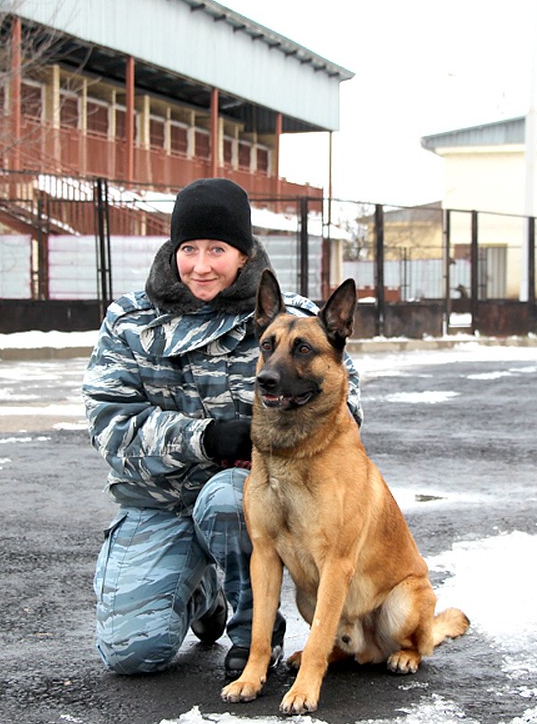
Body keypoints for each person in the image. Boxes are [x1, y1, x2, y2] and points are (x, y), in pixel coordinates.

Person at [82, 177, 362, 678]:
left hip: (240, 499)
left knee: (232, 499)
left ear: (243, 252)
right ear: (173, 250)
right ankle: (200, 591)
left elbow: (344, 406)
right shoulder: (128, 320)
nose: (201, 265)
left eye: (217, 248)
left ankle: (255, 634)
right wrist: (205, 438)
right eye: (188, 248)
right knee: (131, 653)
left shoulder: (289, 322)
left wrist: (287, 435)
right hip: (158, 503)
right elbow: (111, 427)